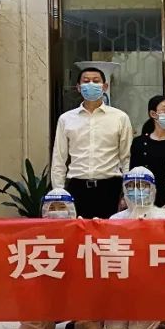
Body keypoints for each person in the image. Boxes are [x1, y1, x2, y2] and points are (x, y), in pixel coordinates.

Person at [13, 190, 103, 329]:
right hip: (47, 290)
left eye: (61, 207)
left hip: (74, 291)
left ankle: (85, 321)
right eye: (52, 207)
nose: (56, 212)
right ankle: (38, 324)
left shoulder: (83, 231)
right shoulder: (34, 235)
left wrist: (95, 231)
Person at [49, 67, 134, 219]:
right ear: (78, 87)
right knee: (78, 232)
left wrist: (127, 194)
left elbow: (126, 157)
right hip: (77, 187)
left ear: (105, 86)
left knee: (108, 232)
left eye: (96, 81)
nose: (91, 84)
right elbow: (59, 159)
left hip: (110, 187)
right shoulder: (66, 119)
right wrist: (58, 192)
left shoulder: (120, 118)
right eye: (86, 81)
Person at [104, 168, 165, 329]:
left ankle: (163, 315)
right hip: (123, 285)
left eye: (142, 185)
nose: (137, 190)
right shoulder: (115, 219)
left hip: (153, 285)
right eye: (131, 186)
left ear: (152, 189)